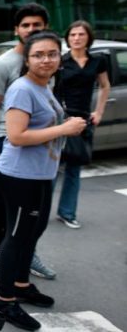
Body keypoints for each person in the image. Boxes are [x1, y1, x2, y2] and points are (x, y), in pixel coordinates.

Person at [0, 31, 87, 331]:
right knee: (16, 237)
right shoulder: (22, 89)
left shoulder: (45, 86)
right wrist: (65, 129)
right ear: (27, 59)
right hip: (20, 177)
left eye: (52, 54)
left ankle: (20, 284)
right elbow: (16, 136)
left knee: (33, 233)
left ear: (60, 58)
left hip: (41, 174)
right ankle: (5, 302)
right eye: (38, 55)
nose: (46, 59)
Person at [0, 3, 57, 281]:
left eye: (37, 25)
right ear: (17, 30)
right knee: (1, 209)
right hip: (5, 142)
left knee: (33, 216)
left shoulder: (47, 61)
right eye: (26, 26)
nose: (32, 30)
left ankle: (26, 255)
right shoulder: (4, 65)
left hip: (38, 149)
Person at [54, 21, 110, 228]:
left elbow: (105, 86)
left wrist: (99, 111)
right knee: (52, 167)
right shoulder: (61, 61)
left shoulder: (98, 61)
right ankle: (39, 210)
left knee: (74, 168)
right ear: (67, 39)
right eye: (73, 35)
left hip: (83, 119)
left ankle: (67, 213)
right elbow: (53, 90)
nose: (76, 38)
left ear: (88, 38)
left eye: (81, 34)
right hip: (61, 119)